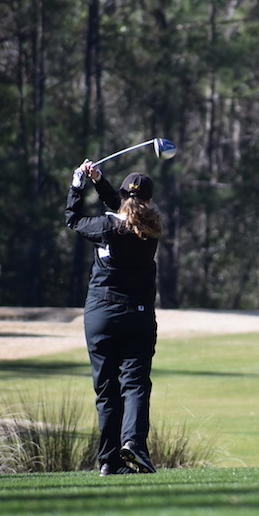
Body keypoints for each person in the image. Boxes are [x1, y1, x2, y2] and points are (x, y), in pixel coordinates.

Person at [65, 159, 163, 476]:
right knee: (134, 384)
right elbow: (126, 210)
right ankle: (133, 443)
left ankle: (109, 461)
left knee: (106, 390)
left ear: (122, 197)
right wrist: (99, 182)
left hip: (101, 315)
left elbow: (73, 218)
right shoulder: (151, 228)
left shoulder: (105, 227)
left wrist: (79, 183)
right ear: (150, 200)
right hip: (137, 316)